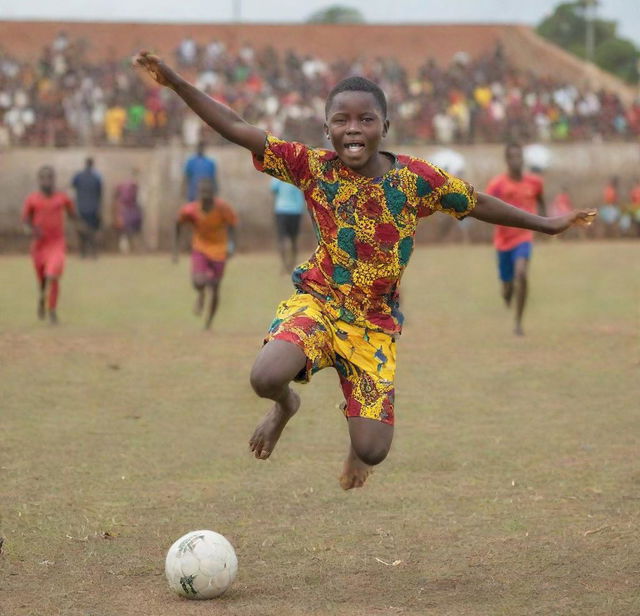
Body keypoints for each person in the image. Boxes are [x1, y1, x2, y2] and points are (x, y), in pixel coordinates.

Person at [135, 51, 596, 491]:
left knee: (373, 450)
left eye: (365, 119)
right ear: (327, 128)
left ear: (385, 127)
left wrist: (546, 223)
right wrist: (175, 82)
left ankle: (355, 426)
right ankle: (285, 407)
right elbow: (237, 127)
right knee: (265, 378)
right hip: (320, 302)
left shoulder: (417, 181)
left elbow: (476, 202)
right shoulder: (313, 168)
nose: (353, 129)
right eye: (341, 120)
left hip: (373, 325)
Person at [485, 143, 546, 336]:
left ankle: (518, 322)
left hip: (524, 237)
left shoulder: (535, 182)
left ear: (523, 159)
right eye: (512, 157)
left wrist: (544, 223)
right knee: (507, 287)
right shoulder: (497, 185)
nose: (516, 161)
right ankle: (507, 293)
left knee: (521, 274)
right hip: (503, 241)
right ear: (507, 160)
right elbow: (484, 206)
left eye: (519, 156)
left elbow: (541, 201)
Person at [174, 178, 238, 331]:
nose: (205, 196)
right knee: (198, 281)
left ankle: (209, 322)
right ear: (198, 194)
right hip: (200, 247)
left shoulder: (223, 208)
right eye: (202, 192)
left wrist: (231, 245)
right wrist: (175, 249)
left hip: (219, 250)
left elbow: (233, 225)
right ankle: (201, 294)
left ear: (213, 194)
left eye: (208, 193)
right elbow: (178, 223)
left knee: (216, 289)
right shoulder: (190, 210)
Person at [22, 166, 77, 324]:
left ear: (54, 180)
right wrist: (32, 229)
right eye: (43, 178)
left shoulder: (62, 198)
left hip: (56, 243)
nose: (47, 181)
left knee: (53, 275)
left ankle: (52, 311)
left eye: (50, 178)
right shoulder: (32, 199)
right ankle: (41, 298)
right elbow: (26, 220)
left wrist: (79, 228)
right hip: (39, 245)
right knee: (43, 279)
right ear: (39, 180)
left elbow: (72, 214)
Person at [271, 177, 305, 273]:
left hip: (282, 210)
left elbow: (273, 188)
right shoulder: (297, 172)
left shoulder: (278, 172)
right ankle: (292, 265)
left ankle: (284, 266)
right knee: (294, 239)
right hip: (296, 210)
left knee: (282, 239)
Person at [71, 157, 103, 258]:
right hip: (93, 208)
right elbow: (100, 192)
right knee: (92, 231)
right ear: (92, 164)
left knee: (81, 230)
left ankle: (82, 253)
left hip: (81, 207)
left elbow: (72, 186)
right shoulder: (97, 177)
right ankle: (93, 253)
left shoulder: (78, 176)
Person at [113, 168, 144, 253]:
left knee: (128, 231)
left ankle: (131, 248)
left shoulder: (130, 186)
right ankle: (127, 248)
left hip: (129, 210)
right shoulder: (132, 186)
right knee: (125, 231)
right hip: (127, 210)